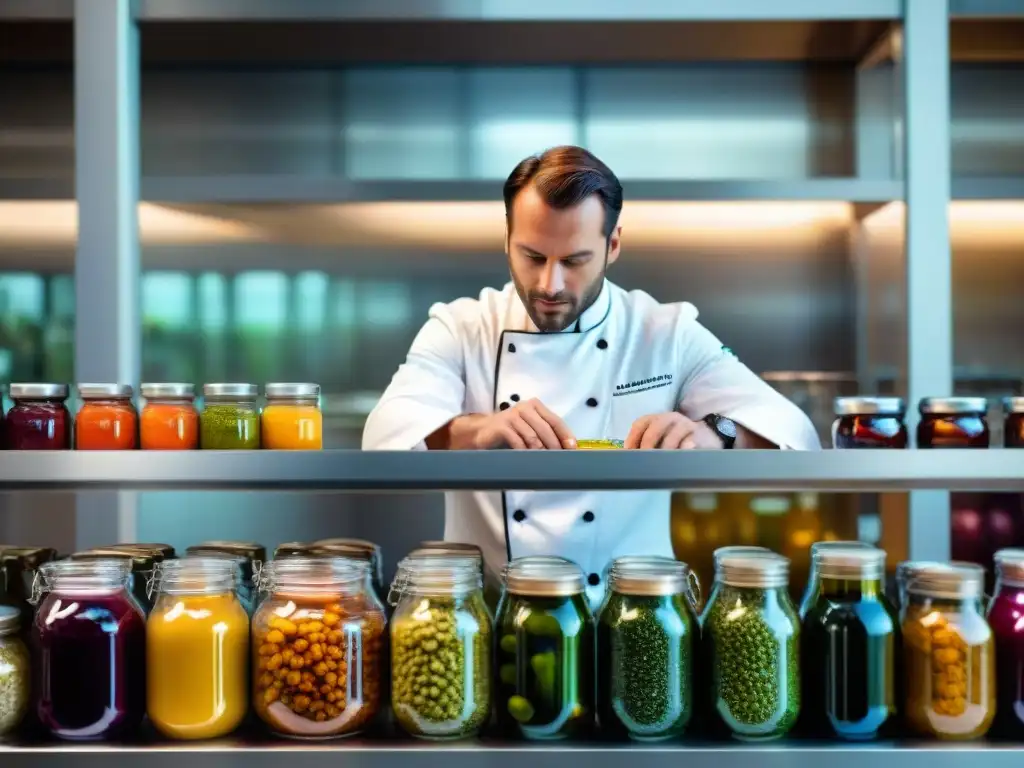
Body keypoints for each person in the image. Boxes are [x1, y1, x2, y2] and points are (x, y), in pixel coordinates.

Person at [363, 145, 820, 606]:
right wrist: (478, 432)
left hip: (638, 620)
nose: (549, 285)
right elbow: (382, 439)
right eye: (533, 256)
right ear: (507, 239)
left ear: (613, 244)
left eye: (574, 261)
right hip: (487, 621)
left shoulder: (664, 332)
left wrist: (714, 434)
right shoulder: (462, 327)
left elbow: (797, 434)